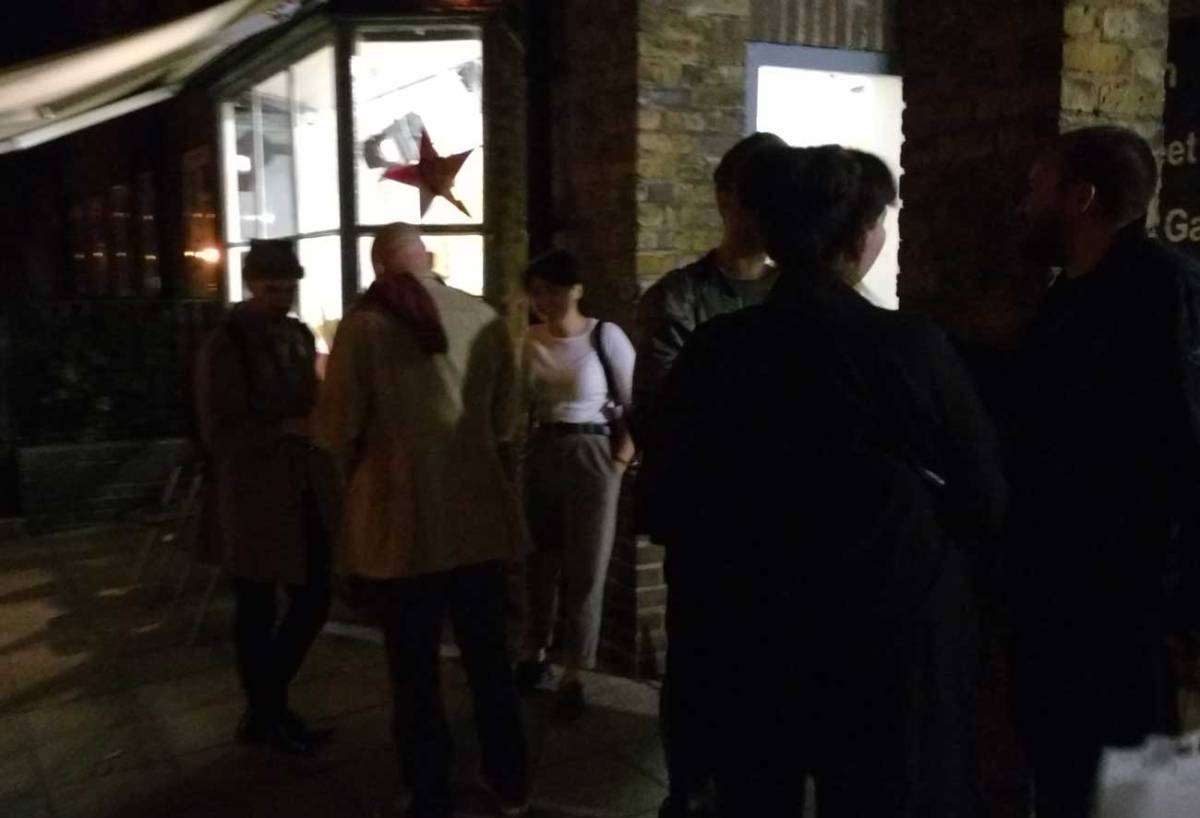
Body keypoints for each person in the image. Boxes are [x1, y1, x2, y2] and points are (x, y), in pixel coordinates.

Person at [645, 145, 1007, 817]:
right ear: (860, 236)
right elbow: (985, 497)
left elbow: (666, 501)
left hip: (752, 634)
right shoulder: (912, 346)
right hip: (887, 637)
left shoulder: (717, 350)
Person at [1008, 125, 1200, 818]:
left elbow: (1187, 446)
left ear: (1080, 197)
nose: (1024, 203)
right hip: (1066, 599)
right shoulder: (1068, 297)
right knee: (1068, 780)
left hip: (1132, 605)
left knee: (1136, 793)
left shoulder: (1162, 288)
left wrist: (1185, 607)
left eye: (1037, 186)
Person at [315, 223, 529, 818]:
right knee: (488, 656)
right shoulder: (484, 317)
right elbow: (505, 423)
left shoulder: (365, 325)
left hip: (402, 521)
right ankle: (509, 777)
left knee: (413, 666)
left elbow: (336, 428)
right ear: (426, 258)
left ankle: (428, 789)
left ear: (379, 266)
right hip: (478, 515)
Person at [632, 130, 786, 818]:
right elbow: (660, 415)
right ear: (725, 200)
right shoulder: (680, 297)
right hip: (710, 525)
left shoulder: (800, 293)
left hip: (783, 526)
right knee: (699, 665)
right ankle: (691, 790)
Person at [194, 238, 337, 755]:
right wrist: (286, 427)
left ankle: (266, 707)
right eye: (272, 287)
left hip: (299, 487)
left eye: (288, 287)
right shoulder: (226, 344)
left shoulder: (298, 334)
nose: (282, 296)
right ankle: (268, 712)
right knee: (255, 607)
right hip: (252, 494)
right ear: (252, 284)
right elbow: (218, 433)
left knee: (314, 596)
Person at [514, 248, 636, 720]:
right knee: (538, 561)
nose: (544, 300)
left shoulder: (605, 336)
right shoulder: (529, 340)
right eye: (537, 291)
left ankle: (576, 671)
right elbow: (520, 403)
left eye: (553, 290)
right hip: (544, 447)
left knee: (587, 565)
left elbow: (635, 403)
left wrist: (619, 462)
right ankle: (534, 651)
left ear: (577, 290)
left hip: (593, 449)